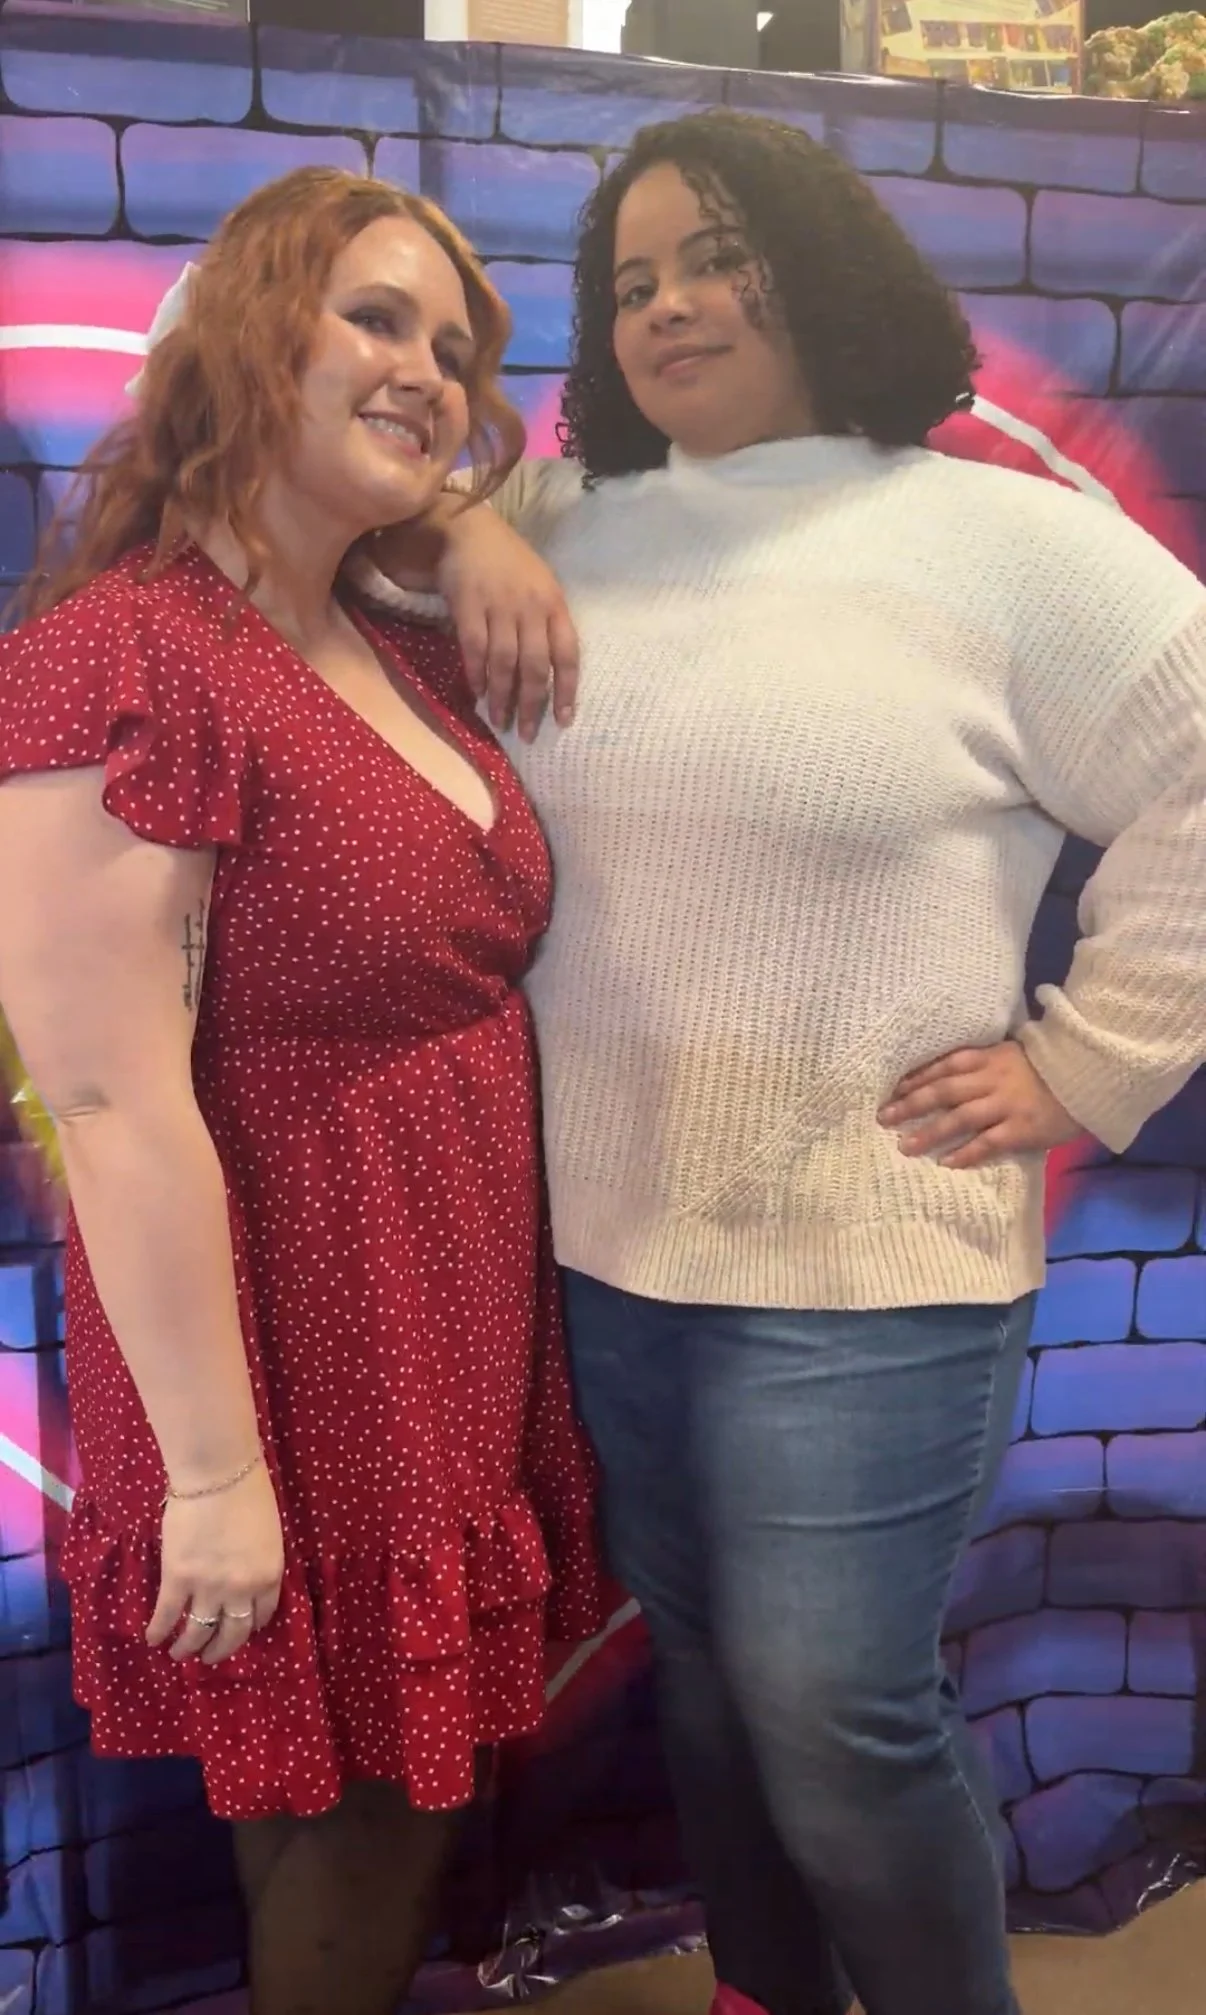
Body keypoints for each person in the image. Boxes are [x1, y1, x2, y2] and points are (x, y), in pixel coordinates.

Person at [359, 112, 1206, 2015]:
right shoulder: (579, 525)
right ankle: (765, 1990)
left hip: (872, 1268)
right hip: (616, 1249)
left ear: (819, 267)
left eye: (712, 255)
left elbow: (1196, 765)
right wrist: (474, 513)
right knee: (718, 1682)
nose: (667, 303)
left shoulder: (1004, 544)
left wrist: (1094, 1063)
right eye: (632, 278)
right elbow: (332, 528)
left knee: (837, 1706)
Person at [0, 166, 602, 2015]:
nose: (426, 367)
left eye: (453, 345)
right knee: (351, 1807)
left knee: (350, 1779)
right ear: (255, 334)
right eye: (374, 317)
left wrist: (473, 530)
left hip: (441, 1290)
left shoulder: (401, 637)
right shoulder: (120, 653)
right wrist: (213, 1471)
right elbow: (98, 1097)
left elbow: (465, 516)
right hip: (284, 1312)